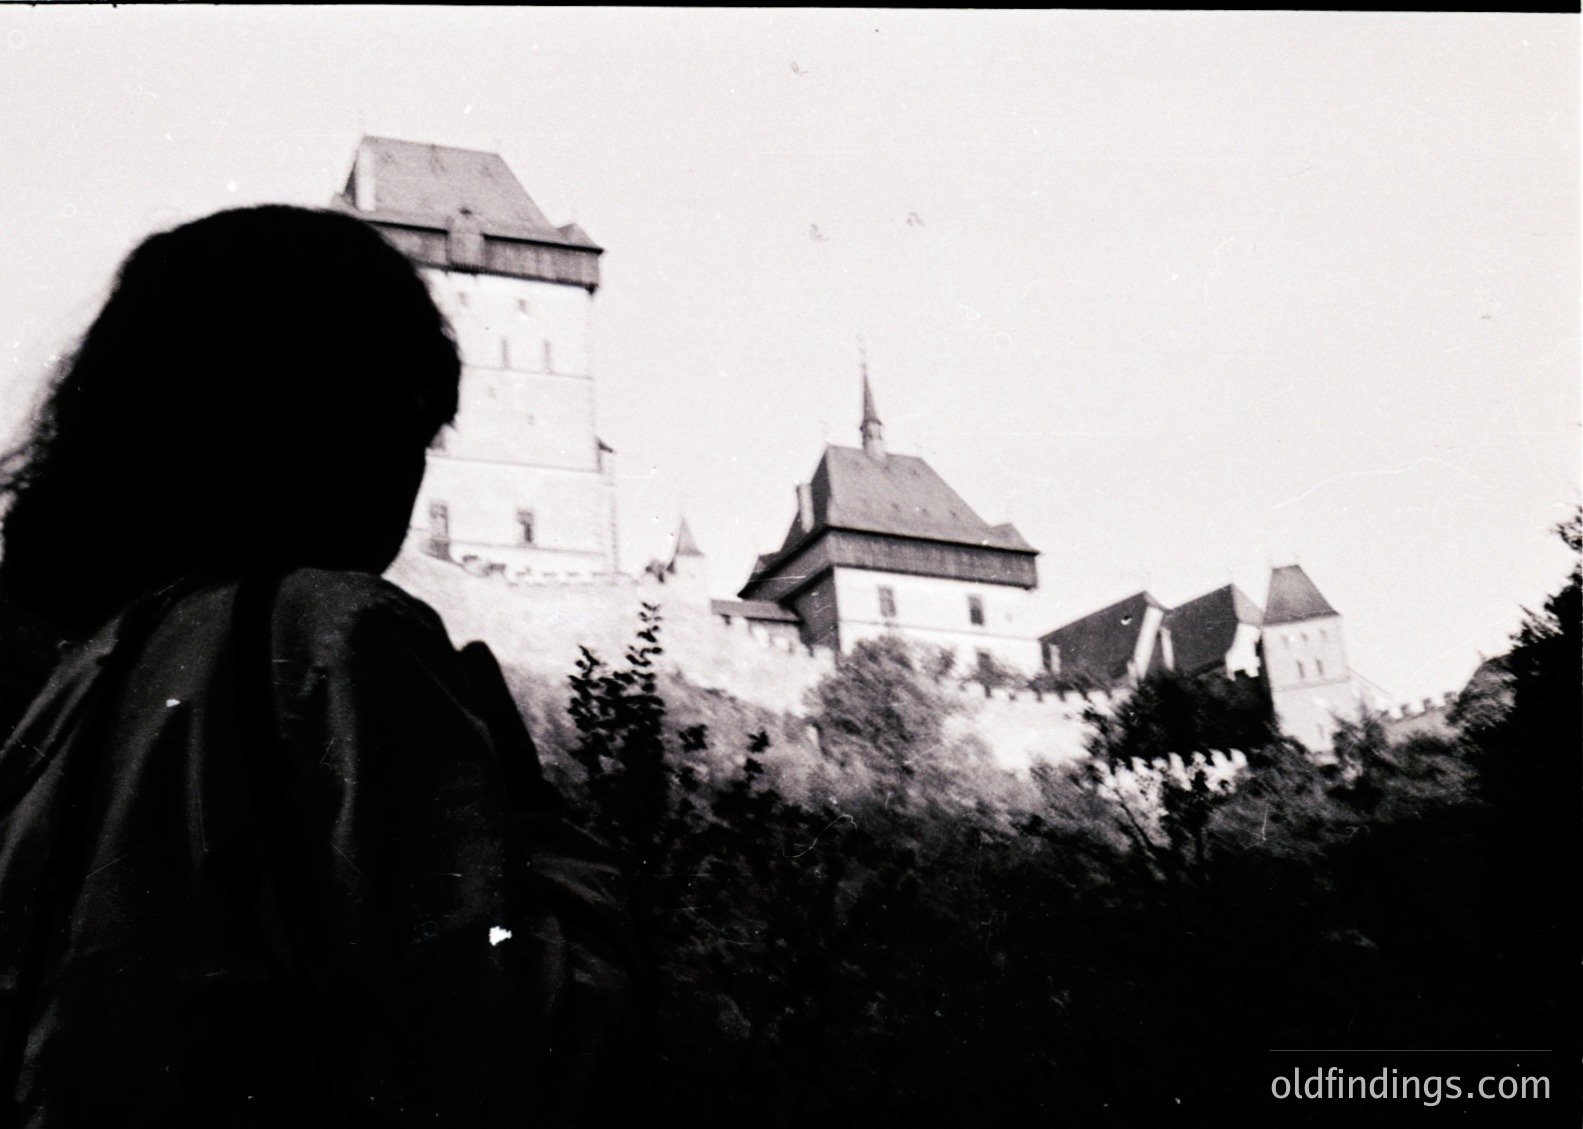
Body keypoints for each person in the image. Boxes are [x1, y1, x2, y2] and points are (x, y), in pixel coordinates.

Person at [0, 206, 632, 1126]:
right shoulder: (327, 637)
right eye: (417, 431)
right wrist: (536, 824)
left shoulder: (68, 697)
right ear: (349, 429)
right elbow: (521, 1061)